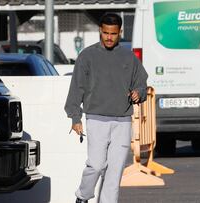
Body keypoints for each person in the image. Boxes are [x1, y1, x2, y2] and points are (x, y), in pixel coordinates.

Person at [64, 13, 148, 203]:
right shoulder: (87, 56)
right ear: (100, 31)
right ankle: (83, 196)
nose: (109, 37)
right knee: (96, 164)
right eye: (105, 33)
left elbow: (141, 83)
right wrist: (75, 117)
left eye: (113, 33)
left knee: (115, 172)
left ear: (120, 32)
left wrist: (138, 93)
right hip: (96, 118)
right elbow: (77, 87)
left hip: (123, 121)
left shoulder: (129, 57)